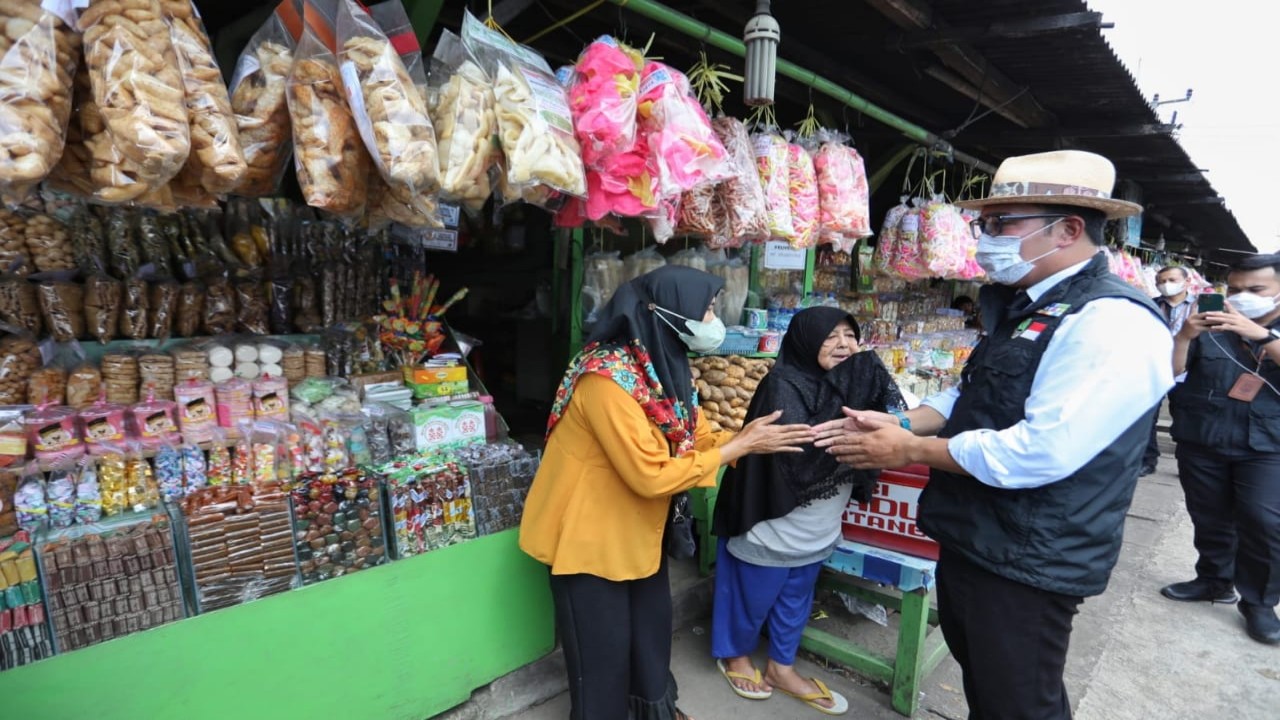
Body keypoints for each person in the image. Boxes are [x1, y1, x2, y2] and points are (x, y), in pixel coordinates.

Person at [813, 150, 1174, 719]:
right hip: (980, 539)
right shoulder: (1030, 309)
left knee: (1020, 702)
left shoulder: (1111, 321)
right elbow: (969, 394)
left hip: (1031, 557)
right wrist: (903, 421)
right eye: (986, 224)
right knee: (989, 688)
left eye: (1004, 224)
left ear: (1070, 229)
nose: (988, 238)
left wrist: (908, 449)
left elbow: (1039, 451)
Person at [519, 265, 815, 720]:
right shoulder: (605, 379)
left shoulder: (664, 368)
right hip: (588, 539)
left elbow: (694, 438)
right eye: (708, 309)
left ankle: (653, 711)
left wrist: (748, 442)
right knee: (603, 657)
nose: (713, 319)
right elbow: (650, 475)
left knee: (649, 637)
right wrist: (737, 447)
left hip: (639, 533)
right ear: (667, 312)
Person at [709, 307, 905, 716]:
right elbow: (801, 456)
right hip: (771, 519)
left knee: (797, 596)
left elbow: (892, 424)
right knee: (751, 595)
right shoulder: (782, 384)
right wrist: (857, 432)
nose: (844, 345)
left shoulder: (857, 381)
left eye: (850, 336)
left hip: (819, 524)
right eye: (830, 336)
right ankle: (736, 655)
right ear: (804, 340)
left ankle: (781, 668)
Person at [1160, 253, 1280, 645]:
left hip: (1267, 445)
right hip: (1204, 436)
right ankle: (1213, 580)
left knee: (1263, 523)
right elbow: (1171, 372)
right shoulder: (1208, 325)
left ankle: (1259, 602)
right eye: (1236, 289)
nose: (1243, 297)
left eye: (1256, 289)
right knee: (1209, 514)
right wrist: (1184, 336)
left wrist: (1260, 335)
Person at [1141, 265, 1198, 475]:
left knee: (1186, 416)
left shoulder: (1200, 307)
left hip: (1189, 370)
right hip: (1155, 368)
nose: (1166, 285)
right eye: (1161, 281)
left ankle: (1188, 461)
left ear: (1186, 282)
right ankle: (1148, 459)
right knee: (1148, 416)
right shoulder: (1151, 305)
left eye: (1172, 280)